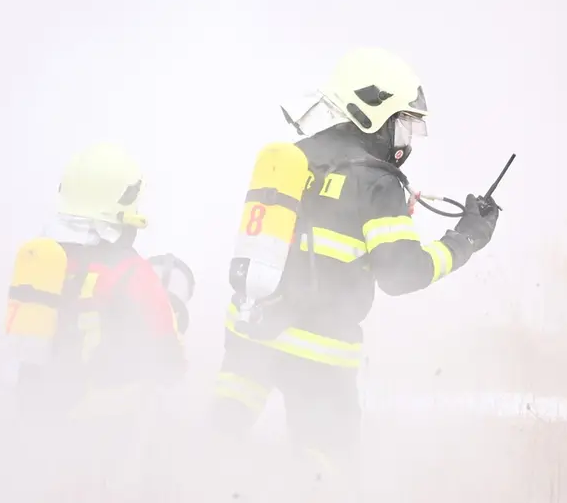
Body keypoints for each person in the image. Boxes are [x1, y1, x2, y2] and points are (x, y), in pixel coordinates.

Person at [210, 47, 500, 476]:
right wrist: (466, 239)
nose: (406, 139)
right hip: (320, 359)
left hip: (250, 335)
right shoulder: (377, 183)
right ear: (374, 115)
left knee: (216, 455)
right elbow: (404, 274)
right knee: (324, 480)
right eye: (404, 124)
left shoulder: (295, 159)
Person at [4, 142, 194, 422]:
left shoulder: (41, 259)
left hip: (33, 414)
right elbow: (170, 365)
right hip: (99, 429)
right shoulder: (133, 273)